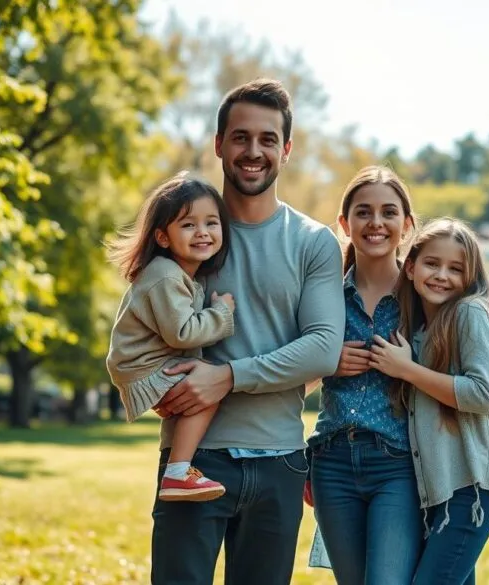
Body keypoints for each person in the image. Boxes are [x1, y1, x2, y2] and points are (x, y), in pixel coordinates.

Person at [147, 79, 346, 585]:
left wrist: (227, 376)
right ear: (219, 144)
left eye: (266, 139)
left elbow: (323, 350)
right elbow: (142, 316)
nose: (252, 151)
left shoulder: (313, 242)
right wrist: (148, 382)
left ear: (286, 149)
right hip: (193, 461)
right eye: (240, 137)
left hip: (280, 462)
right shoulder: (188, 233)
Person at [304, 167, 489, 584]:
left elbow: (470, 361)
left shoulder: (425, 292)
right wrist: (325, 363)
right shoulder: (323, 294)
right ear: (344, 223)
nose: (376, 222)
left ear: (406, 225)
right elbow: (293, 374)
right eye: (363, 212)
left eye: (389, 212)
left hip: (400, 463)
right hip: (331, 461)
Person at [368, 217, 489, 585]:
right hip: (438, 495)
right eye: (431, 263)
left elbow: (482, 394)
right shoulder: (418, 328)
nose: (441, 275)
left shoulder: (470, 312)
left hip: (469, 491)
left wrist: (406, 370)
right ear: (410, 267)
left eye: (455, 269)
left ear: (470, 276)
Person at [105, 172, 234, 502]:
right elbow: (183, 333)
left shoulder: (179, 275)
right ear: (162, 237)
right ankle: (178, 473)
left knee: (198, 391)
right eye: (188, 225)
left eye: (211, 222)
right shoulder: (164, 275)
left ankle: (180, 468)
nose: (202, 232)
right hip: (143, 366)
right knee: (206, 395)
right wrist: (221, 313)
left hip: (147, 362)